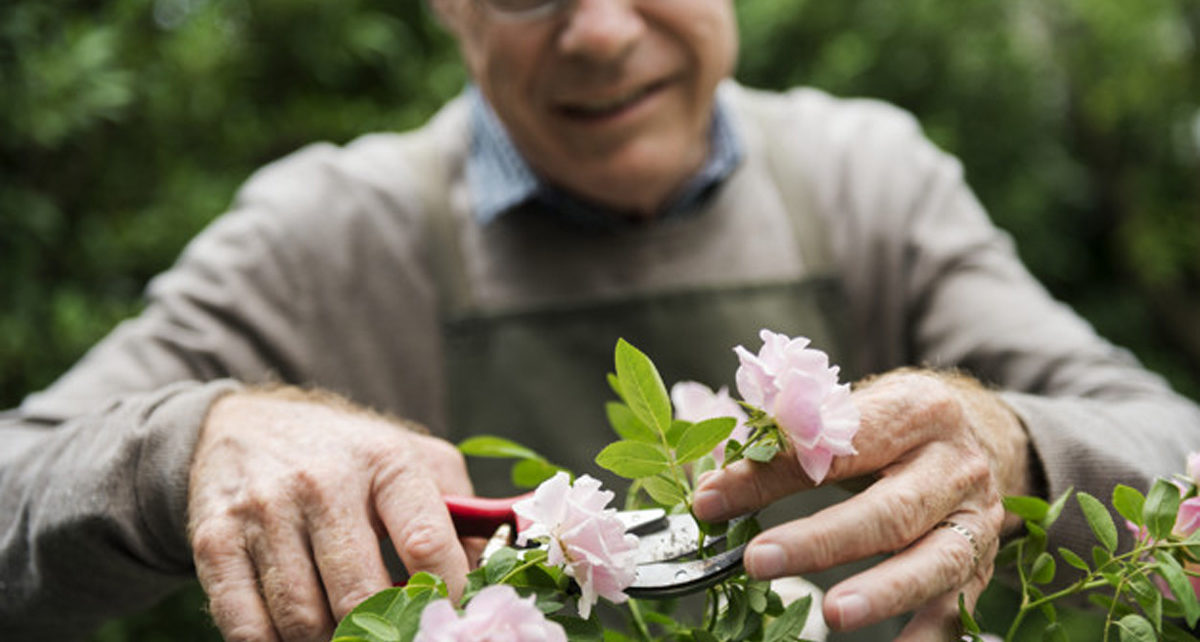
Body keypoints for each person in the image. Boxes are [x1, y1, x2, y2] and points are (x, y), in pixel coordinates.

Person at [2, 0, 1199, 640]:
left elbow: (1173, 445)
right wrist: (185, 450)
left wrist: (1014, 445)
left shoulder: (868, 183)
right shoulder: (322, 238)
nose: (602, 29)